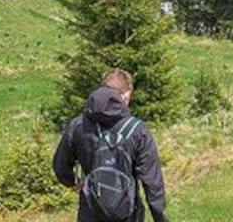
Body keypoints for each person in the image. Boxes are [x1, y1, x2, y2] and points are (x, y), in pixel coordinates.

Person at [53, 68, 168, 222]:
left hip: (90, 211)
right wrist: (159, 217)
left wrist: (73, 182)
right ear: (125, 95)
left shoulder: (78, 125)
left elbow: (60, 167)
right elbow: (152, 182)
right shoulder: (138, 130)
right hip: (128, 213)